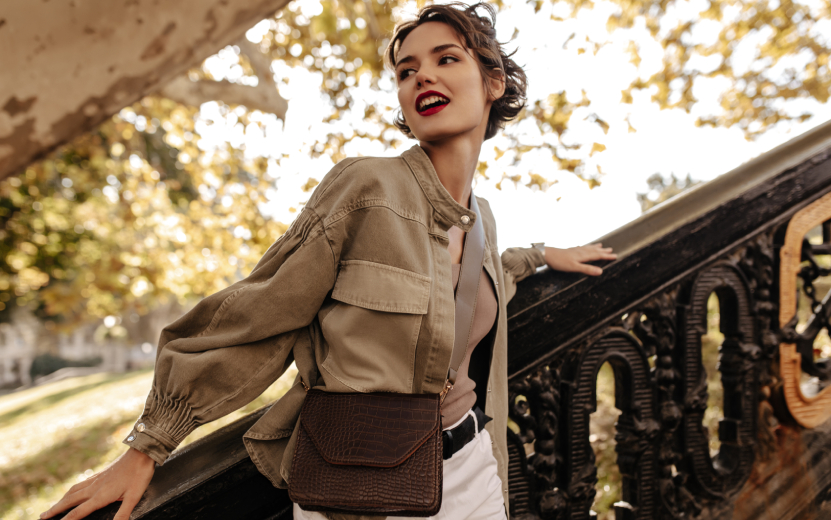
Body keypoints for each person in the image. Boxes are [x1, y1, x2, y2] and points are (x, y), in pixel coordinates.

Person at [41, 3, 616, 520]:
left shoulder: (481, 218)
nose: (423, 77)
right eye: (407, 71)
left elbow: (485, 277)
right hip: (356, 496)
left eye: (446, 58)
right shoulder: (366, 188)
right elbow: (260, 311)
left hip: (471, 474)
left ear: (493, 83)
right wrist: (150, 445)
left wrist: (542, 255)